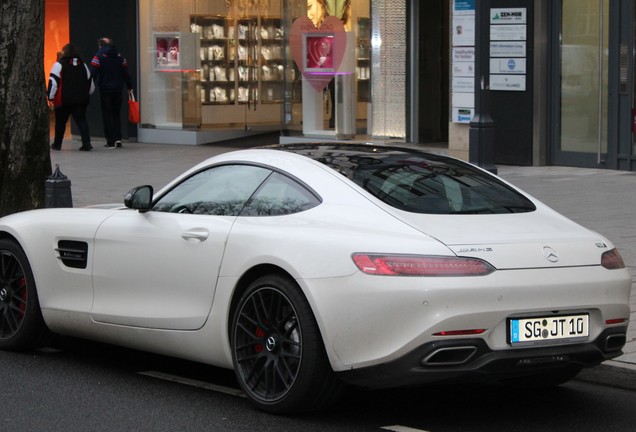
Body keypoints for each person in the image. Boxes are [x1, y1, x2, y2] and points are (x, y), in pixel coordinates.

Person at [47, 43, 95, 151]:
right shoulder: (83, 65)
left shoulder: (59, 64)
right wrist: (86, 94)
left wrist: (50, 97)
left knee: (60, 122)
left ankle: (57, 144)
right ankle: (86, 143)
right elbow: (90, 84)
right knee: (82, 121)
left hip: (64, 100)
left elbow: (53, 82)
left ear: (64, 52)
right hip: (80, 100)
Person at [90, 37, 133, 148]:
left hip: (105, 90)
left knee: (107, 115)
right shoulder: (120, 56)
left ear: (100, 45)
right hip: (118, 89)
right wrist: (129, 86)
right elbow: (126, 72)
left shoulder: (98, 56)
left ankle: (110, 140)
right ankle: (118, 138)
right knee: (116, 114)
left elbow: (93, 73)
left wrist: (88, 86)